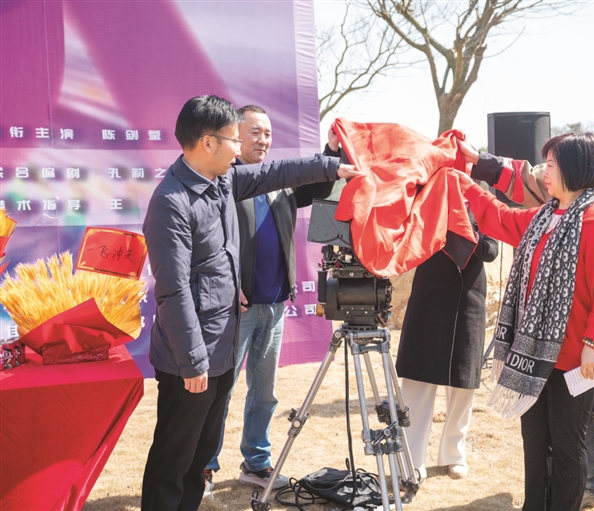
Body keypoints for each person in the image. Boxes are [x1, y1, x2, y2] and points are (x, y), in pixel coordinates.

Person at [140, 94, 360, 511]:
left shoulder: (223, 182)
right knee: (174, 456)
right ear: (208, 142)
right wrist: (193, 361)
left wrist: (331, 165)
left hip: (223, 347)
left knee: (197, 457)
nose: (239, 149)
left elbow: (278, 172)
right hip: (191, 358)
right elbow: (173, 290)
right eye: (233, 140)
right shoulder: (172, 202)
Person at [462, 85, 594, 511]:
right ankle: (578, 489)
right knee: (547, 434)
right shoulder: (552, 209)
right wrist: (470, 176)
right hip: (545, 342)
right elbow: (512, 205)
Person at [456, 132, 594, 511]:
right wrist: (464, 184)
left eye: (551, 165)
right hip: (533, 355)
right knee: (535, 442)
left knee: (567, 446)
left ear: (575, 168)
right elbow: (500, 218)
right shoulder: (543, 217)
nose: (544, 172)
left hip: (576, 358)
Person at [203, 105, 343, 494]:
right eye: (254, 132)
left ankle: (256, 463)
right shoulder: (224, 181)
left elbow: (316, 188)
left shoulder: (279, 181)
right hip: (236, 310)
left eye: (267, 133)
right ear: (235, 135)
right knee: (221, 391)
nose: (263, 140)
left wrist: (331, 151)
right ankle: (204, 468)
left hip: (275, 305)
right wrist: (228, 284)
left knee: (264, 393)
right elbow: (208, 242)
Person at [396, 211, 498, 481]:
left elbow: (491, 250)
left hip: (468, 298)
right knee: (418, 380)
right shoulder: (427, 198)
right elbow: (409, 239)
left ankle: (454, 455)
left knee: (462, 384)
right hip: (429, 295)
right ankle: (411, 460)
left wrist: (466, 233)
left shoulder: (481, 203)